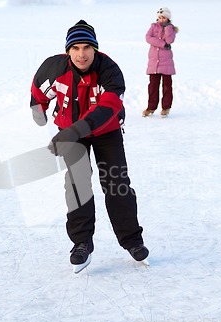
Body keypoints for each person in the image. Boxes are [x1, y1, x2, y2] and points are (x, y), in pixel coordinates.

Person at [29, 20, 149, 273]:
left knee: (116, 184)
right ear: (67, 51)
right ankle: (81, 243)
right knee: (77, 185)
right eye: (75, 48)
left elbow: (109, 107)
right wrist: (38, 108)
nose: (81, 54)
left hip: (106, 131)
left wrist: (73, 131)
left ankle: (132, 241)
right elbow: (39, 90)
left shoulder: (110, 71)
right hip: (72, 134)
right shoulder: (54, 67)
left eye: (87, 48)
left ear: (95, 49)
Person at [143, 6, 179, 117]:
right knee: (153, 86)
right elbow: (148, 38)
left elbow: (169, 40)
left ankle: (166, 107)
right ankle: (151, 107)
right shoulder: (153, 27)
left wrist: (168, 28)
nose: (161, 20)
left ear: (167, 18)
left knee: (167, 86)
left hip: (166, 62)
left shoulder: (170, 29)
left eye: (163, 17)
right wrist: (162, 44)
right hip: (154, 63)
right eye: (159, 17)